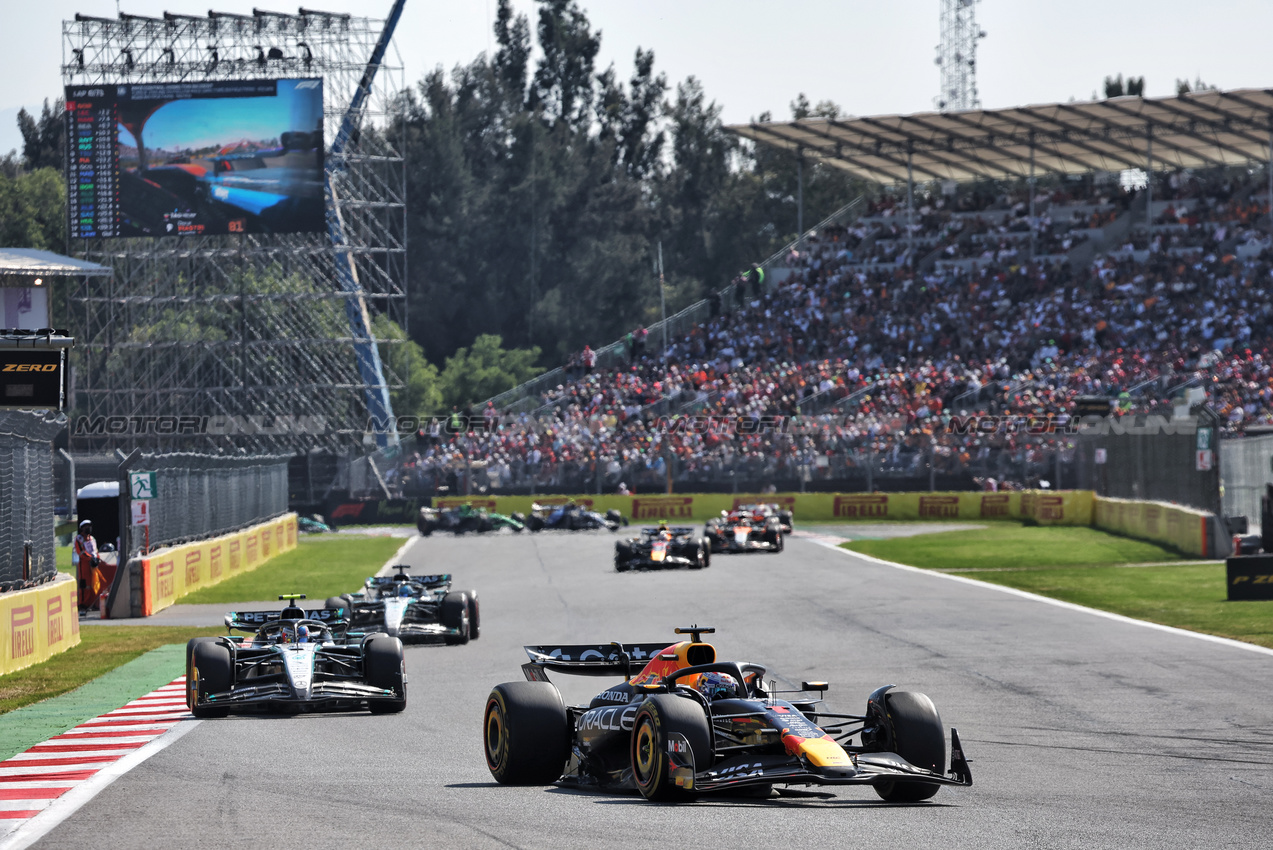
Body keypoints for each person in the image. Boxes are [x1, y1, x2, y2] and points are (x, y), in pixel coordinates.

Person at [73, 520, 102, 610]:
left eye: (89, 526)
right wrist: (91, 558)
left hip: (93, 564)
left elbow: (95, 551)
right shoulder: (79, 539)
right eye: (86, 526)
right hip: (84, 564)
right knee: (84, 584)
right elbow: (81, 552)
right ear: (82, 528)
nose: (88, 528)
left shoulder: (92, 539)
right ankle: (82, 604)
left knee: (94, 583)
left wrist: (97, 558)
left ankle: (92, 603)